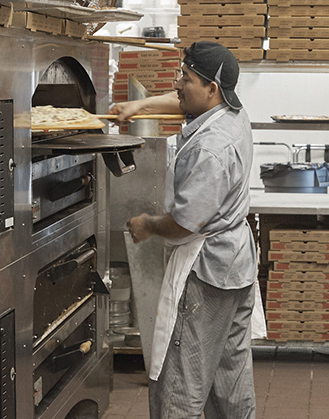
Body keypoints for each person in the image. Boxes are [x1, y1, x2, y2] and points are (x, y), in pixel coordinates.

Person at [109, 41, 261, 419]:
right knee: (230, 378)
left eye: (186, 78)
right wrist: (139, 106)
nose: (178, 84)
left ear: (211, 88)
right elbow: (182, 100)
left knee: (181, 380)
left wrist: (146, 225)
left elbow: (183, 224)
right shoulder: (230, 113)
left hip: (206, 273)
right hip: (236, 266)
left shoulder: (212, 148)